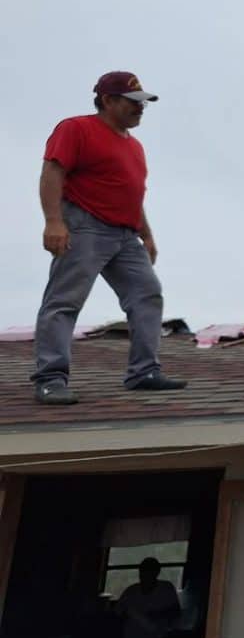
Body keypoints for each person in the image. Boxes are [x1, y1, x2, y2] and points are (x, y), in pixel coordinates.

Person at [32, 72, 187, 406]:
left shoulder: (134, 146)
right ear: (108, 100)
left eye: (142, 103)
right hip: (84, 225)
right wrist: (53, 222)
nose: (140, 109)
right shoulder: (76, 128)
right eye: (133, 102)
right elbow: (52, 172)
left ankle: (143, 372)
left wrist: (146, 234)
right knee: (64, 301)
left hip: (126, 234)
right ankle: (50, 379)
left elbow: (130, 193)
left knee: (147, 294)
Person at [116, 557, 181, 638]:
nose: (145, 575)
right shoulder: (131, 591)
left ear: (156, 573)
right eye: (143, 571)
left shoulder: (166, 589)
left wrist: (157, 614)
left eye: (149, 571)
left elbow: (176, 611)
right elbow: (118, 613)